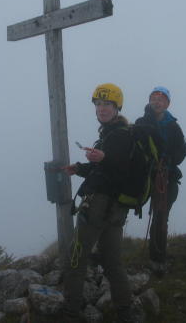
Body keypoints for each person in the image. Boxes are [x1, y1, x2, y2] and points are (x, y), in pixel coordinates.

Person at [61, 83, 135, 323]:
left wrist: (104, 157)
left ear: (117, 107)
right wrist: (80, 168)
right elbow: (107, 170)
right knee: (112, 262)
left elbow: (118, 166)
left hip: (99, 206)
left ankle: (71, 313)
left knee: (76, 257)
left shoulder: (118, 136)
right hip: (116, 210)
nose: (102, 108)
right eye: (99, 104)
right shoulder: (116, 133)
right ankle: (126, 313)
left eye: (108, 104)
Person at [135, 86, 186, 275]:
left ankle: (157, 259)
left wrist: (168, 161)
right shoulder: (142, 122)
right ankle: (109, 251)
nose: (157, 102)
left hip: (166, 177)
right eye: (154, 98)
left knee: (160, 217)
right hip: (145, 175)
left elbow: (182, 150)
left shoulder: (173, 127)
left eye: (161, 99)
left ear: (167, 104)